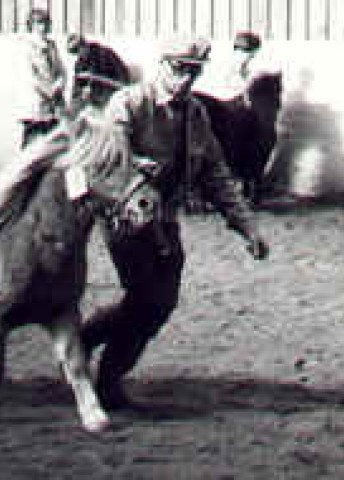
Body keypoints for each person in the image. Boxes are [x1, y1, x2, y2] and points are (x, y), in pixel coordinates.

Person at [79, 39, 270, 409]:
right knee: (145, 297)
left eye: (193, 71)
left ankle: (91, 346)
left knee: (161, 304)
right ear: (162, 65)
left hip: (166, 221)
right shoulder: (130, 104)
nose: (185, 79)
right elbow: (104, 157)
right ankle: (106, 377)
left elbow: (216, 173)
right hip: (126, 219)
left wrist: (247, 227)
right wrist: (134, 164)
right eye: (179, 68)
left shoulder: (195, 115)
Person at [20, 8, 66, 149]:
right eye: (39, 23)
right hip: (36, 100)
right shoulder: (26, 46)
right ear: (31, 26)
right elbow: (30, 76)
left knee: (54, 138)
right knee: (32, 141)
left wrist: (59, 84)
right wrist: (47, 91)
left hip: (55, 101)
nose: (43, 27)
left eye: (46, 23)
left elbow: (61, 70)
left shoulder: (52, 46)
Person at [66, 33, 131, 115]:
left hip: (112, 99)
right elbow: (76, 91)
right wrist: (80, 96)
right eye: (74, 53)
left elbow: (123, 82)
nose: (78, 55)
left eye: (77, 50)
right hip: (93, 105)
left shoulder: (105, 54)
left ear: (85, 45)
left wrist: (95, 79)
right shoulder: (80, 64)